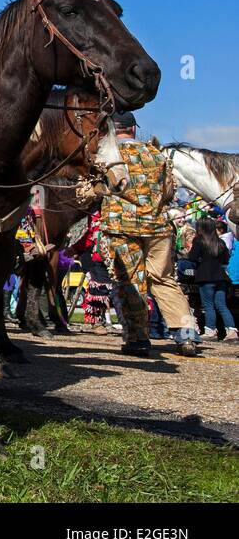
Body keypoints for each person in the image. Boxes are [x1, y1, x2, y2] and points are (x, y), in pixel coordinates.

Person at [99, 111, 200, 356]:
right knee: (164, 279)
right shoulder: (155, 153)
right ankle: (186, 335)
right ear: (133, 129)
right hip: (158, 227)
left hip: (121, 227)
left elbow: (96, 189)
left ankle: (138, 340)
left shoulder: (106, 155)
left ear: (112, 130)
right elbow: (168, 191)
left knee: (130, 281)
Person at [190, 217, 235, 341]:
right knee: (222, 305)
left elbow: (192, 257)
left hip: (205, 276)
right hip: (221, 277)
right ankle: (231, 330)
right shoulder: (220, 242)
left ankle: (210, 330)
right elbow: (226, 259)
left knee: (208, 305)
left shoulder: (199, 240)